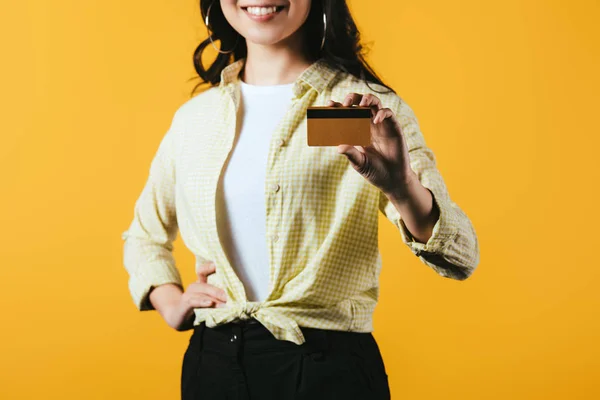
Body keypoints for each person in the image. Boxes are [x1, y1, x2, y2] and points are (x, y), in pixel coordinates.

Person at [120, 1, 480, 399]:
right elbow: (143, 237)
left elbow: (461, 256)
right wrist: (170, 302)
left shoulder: (357, 109)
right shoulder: (197, 118)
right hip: (214, 368)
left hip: (330, 372)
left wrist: (402, 187)